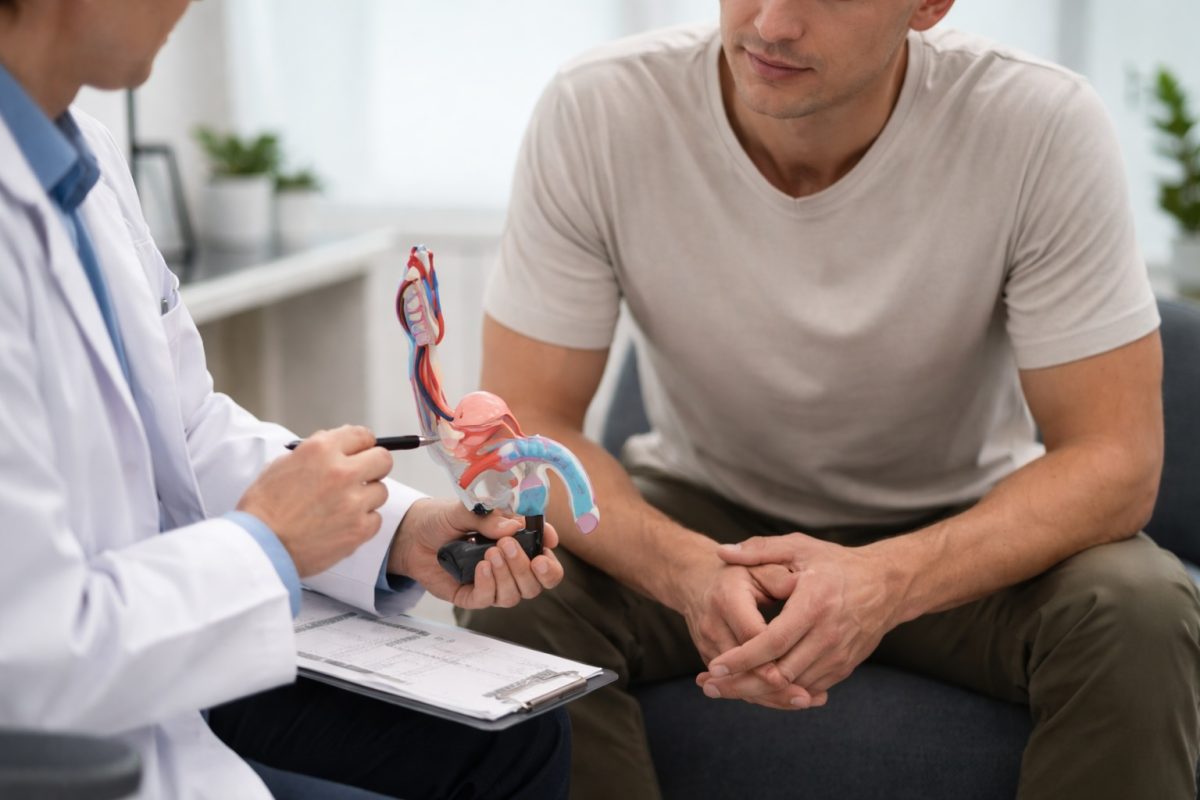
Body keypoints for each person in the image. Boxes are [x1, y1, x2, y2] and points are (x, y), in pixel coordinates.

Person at [458, 0, 1200, 798]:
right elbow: (526, 428)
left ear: (929, 6)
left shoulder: (1040, 124)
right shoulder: (600, 107)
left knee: (1140, 609)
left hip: (962, 527)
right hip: (704, 514)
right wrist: (685, 571)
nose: (772, 24)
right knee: (517, 580)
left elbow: (1116, 459)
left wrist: (888, 582)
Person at [0, 1, 569, 798]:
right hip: (80, 711)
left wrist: (395, 531)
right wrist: (267, 544)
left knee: (521, 734)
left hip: (163, 641)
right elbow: (31, 651)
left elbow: (185, 424)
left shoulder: (80, 157)